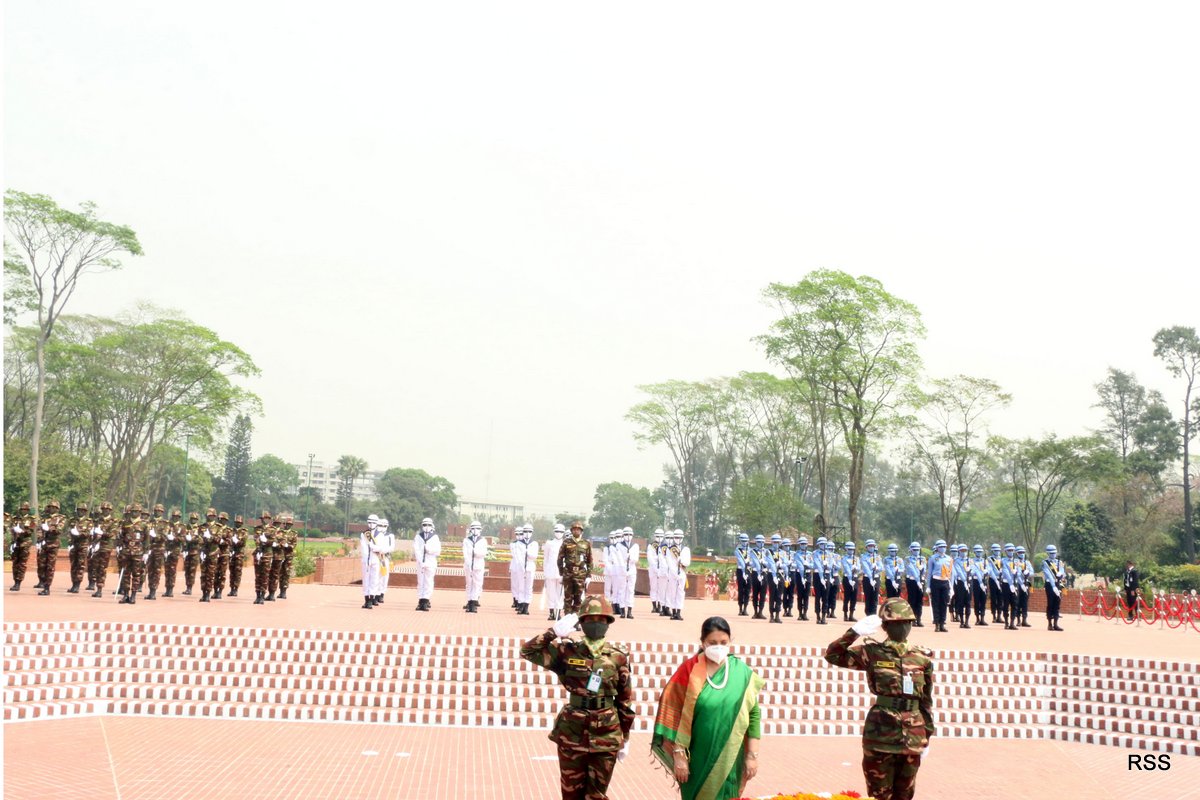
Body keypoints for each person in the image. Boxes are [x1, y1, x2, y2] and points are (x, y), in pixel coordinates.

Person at [521, 595, 634, 800]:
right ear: (581, 623)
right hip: (572, 733)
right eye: (590, 620)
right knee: (571, 794)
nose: (596, 624)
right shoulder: (567, 650)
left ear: (608, 623)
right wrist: (552, 633)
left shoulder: (618, 655)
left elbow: (625, 699)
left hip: (606, 734)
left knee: (597, 795)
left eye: (601, 620)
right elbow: (527, 651)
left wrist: (624, 737)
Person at [825, 597, 935, 800]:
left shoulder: (922, 657)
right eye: (895, 623)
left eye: (906, 622)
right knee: (878, 795)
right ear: (885, 626)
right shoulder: (872, 652)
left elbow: (926, 700)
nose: (902, 627)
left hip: (913, 735)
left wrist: (927, 734)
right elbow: (832, 655)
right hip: (880, 735)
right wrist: (854, 633)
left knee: (905, 795)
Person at [652, 616, 763, 800]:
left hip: (731, 758)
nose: (718, 647)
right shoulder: (688, 671)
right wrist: (678, 756)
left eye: (723, 642)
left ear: (730, 642)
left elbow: (753, 715)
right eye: (712, 642)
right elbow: (670, 712)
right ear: (702, 643)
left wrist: (752, 755)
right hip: (696, 760)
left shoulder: (742, 672)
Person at [558, 521, 592, 615]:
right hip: (568, 573)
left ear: (581, 531)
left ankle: (575, 620)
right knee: (568, 598)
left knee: (578, 598)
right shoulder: (566, 542)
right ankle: (567, 620)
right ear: (572, 530)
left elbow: (589, 560)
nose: (576, 531)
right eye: (574, 529)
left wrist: (589, 575)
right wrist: (561, 574)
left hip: (580, 574)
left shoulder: (586, 544)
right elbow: (560, 558)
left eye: (578, 529)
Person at [413, 517, 441, 611]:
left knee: (428, 581)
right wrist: (421, 561)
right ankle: (420, 600)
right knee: (421, 582)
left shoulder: (435, 537)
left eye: (429, 525)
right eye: (425, 525)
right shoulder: (418, 536)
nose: (426, 527)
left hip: (431, 561)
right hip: (421, 562)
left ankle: (425, 600)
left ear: (432, 525)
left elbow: (438, 551)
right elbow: (416, 550)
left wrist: (429, 550)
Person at [925, 540, 952, 633]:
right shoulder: (932, 558)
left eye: (944, 546)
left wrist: (951, 587)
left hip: (945, 582)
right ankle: (936, 624)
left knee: (944, 603)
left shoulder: (949, 558)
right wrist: (928, 586)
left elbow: (950, 573)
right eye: (941, 546)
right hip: (935, 581)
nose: (943, 548)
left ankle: (942, 624)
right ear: (937, 548)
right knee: (936, 603)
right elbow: (929, 573)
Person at [8, 501, 36, 591]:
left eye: (25, 509)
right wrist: (13, 532)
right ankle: (15, 581)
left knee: (22, 563)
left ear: (28, 510)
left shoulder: (32, 519)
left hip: (25, 542)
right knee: (15, 563)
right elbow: (11, 528)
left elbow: (31, 530)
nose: (23, 511)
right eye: (22, 509)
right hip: (16, 542)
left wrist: (22, 530)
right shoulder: (15, 518)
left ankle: (18, 582)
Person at [462, 520, 489, 614]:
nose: (475, 530)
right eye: (473, 528)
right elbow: (465, 553)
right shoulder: (466, 540)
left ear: (480, 529)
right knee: (469, 584)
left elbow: (484, 553)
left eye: (477, 528)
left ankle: (473, 602)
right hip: (469, 565)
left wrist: (476, 553)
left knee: (477, 584)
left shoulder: (483, 540)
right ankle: (469, 601)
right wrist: (469, 562)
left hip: (478, 565)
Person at [543, 523, 565, 620]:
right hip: (550, 571)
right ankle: (551, 612)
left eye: (560, 531)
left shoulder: (566, 544)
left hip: (561, 572)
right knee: (550, 593)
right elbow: (545, 558)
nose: (558, 533)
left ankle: (558, 613)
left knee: (560, 594)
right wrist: (545, 572)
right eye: (557, 531)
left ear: (563, 533)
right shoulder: (549, 543)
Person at [1043, 544, 1067, 631]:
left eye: (1054, 553)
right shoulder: (1045, 562)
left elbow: (1063, 572)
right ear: (1048, 553)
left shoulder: (1059, 562)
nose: (1053, 554)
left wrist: (1061, 573)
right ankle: (1049, 623)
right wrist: (1053, 586)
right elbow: (1048, 575)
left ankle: (1056, 623)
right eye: (1051, 553)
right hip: (1050, 585)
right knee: (1050, 603)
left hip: (1058, 584)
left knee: (1057, 604)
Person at [616, 527, 638, 619]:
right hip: (622, 570)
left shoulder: (635, 546)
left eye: (629, 534)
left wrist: (631, 558)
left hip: (632, 570)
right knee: (622, 590)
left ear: (632, 535)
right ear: (623, 535)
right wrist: (624, 564)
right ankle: (622, 610)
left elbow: (636, 559)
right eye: (626, 534)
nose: (628, 536)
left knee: (630, 590)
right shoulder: (619, 545)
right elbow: (619, 558)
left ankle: (629, 611)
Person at [904, 543, 926, 628]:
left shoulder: (922, 558)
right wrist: (917, 580)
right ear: (911, 550)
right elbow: (911, 569)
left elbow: (924, 569)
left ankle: (919, 619)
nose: (916, 551)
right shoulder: (908, 559)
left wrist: (922, 569)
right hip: (912, 581)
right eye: (914, 550)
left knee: (919, 601)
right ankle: (912, 619)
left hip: (921, 581)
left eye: (918, 549)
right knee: (912, 600)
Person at [860, 540, 882, 617]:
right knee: (868, 596)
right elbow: (866, 568)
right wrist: (870, 578)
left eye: (873, 546)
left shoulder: (877, 557)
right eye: (870, 546)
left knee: (875, 597)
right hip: (867, 579)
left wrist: (876, 567)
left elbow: (881, 567)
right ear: (866, 547)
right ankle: (868, 613)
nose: (871, 547)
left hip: (876, 578)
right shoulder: (863, 557)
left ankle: (874, 614)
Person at [792, 535, 812, 621]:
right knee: (800, 595)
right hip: (799, 575)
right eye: (802, 544)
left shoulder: (810, 554)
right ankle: (800, 613)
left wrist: (807, 564)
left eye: (805, 544)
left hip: (807, 574)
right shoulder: (796, 554)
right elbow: (795, 564)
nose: (803, 545)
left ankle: (805, 613)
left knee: (806, 595)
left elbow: (813, 565)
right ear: (799, 545)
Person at [840, 540, 861, 622]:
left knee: (854, 597)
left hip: (855, 578)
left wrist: (856, 568)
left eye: (852, 549)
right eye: (849, 549)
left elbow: (859, 567)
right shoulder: (844, 558)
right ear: (846, 549)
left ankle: (851, 614)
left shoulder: (856, 558)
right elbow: (846, 568)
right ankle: (845, 613)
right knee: (847, 597)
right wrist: (849, 578)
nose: (851, 551)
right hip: (847, 578)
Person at [1012, 546, 1032, 627]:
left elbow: (1032, 572)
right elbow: (1017, 574)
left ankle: (1024, 619)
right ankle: (1018, 620)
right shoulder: (1015, 562)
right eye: (1020, 552)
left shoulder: (1027, 562)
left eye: (1023, 552)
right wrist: (1021, 583)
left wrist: (1028, 573)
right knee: (1017, 602)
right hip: (1018, 584)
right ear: (1016, 553)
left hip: (1026, 583)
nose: (1022, 554)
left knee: (1025, 603)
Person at [968, 544, 988, 626]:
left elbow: (989, 569)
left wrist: (987, 571)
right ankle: (977, 618)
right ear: (974, 552)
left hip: (984, 581)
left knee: (983, 600)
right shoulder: (971, 561)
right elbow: (972, 571)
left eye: (980, 552)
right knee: (976, 600)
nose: (979, 553)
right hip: (976, 581)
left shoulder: (985, 561)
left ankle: (982, 618)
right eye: (977, 551)